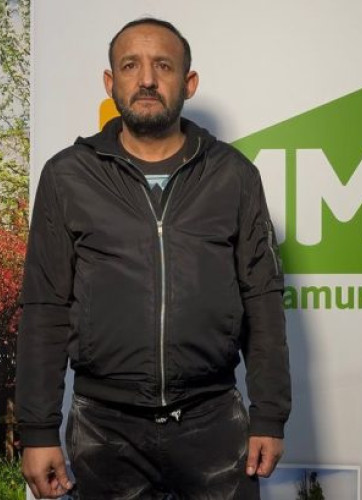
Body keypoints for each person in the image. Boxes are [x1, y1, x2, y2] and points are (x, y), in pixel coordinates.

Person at [16, 18, 291, 500]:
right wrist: (37, 430)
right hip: (103, 428)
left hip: (214, 421)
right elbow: (45, 308)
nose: (146, 79)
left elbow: (262, 300)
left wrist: (269, 415)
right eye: (130, 66)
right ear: (110, 82)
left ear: (189, 82)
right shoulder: (67, 175)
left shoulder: (234, 175)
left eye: (163, 65)